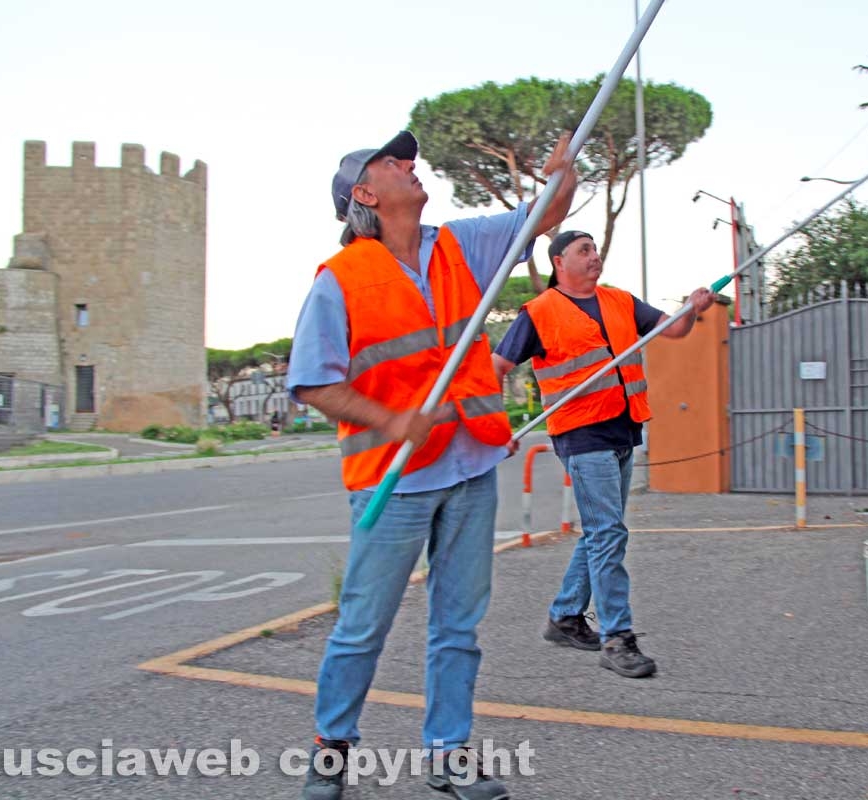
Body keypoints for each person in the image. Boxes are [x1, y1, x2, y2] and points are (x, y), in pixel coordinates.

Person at [287, 130, 576, 800]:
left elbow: (546, 214)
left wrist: (564, 174)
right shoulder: (340, 280)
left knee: (458, 626)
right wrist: (392, 421)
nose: (408, 165)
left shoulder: (457, 246)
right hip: (396, 481)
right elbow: (312, 381)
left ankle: (449, 754)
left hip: (471, 467)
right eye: (392, 162)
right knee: (363, 626)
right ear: (365, 194)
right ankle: (331, 752)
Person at [492, 231, 714, 679]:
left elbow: (674, 329)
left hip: (623, 428)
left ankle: (565, 617)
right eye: (584, 250)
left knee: (601, 532)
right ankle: (617, 639)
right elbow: (495, 367)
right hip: (581, 434)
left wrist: (692, 308)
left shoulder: (620, 301)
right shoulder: (539, 312)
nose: (595, 256)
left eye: (595, 249)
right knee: (607, 533)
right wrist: (494, 426)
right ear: (559, 262)